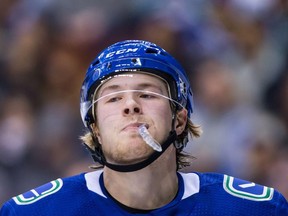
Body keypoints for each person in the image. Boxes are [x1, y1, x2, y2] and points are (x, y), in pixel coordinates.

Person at [0, 40, 287, 215]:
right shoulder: (34, 212)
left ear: (179, 119)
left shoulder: (255, 209)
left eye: (148, 94)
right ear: (95, 128)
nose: (130, 105)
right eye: (113, 98)